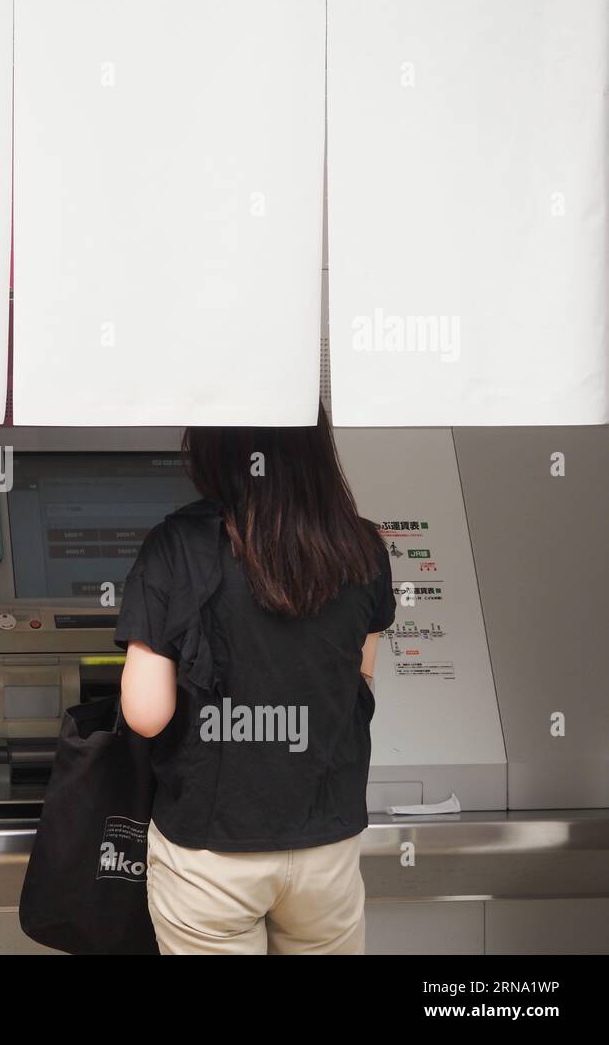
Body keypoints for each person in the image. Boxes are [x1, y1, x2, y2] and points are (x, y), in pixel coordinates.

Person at [115, 405, 396, 955]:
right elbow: (359, 678)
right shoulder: (363, 548)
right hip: (327, 846)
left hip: (211, 854)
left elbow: (147, 714)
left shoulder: (176, 545)